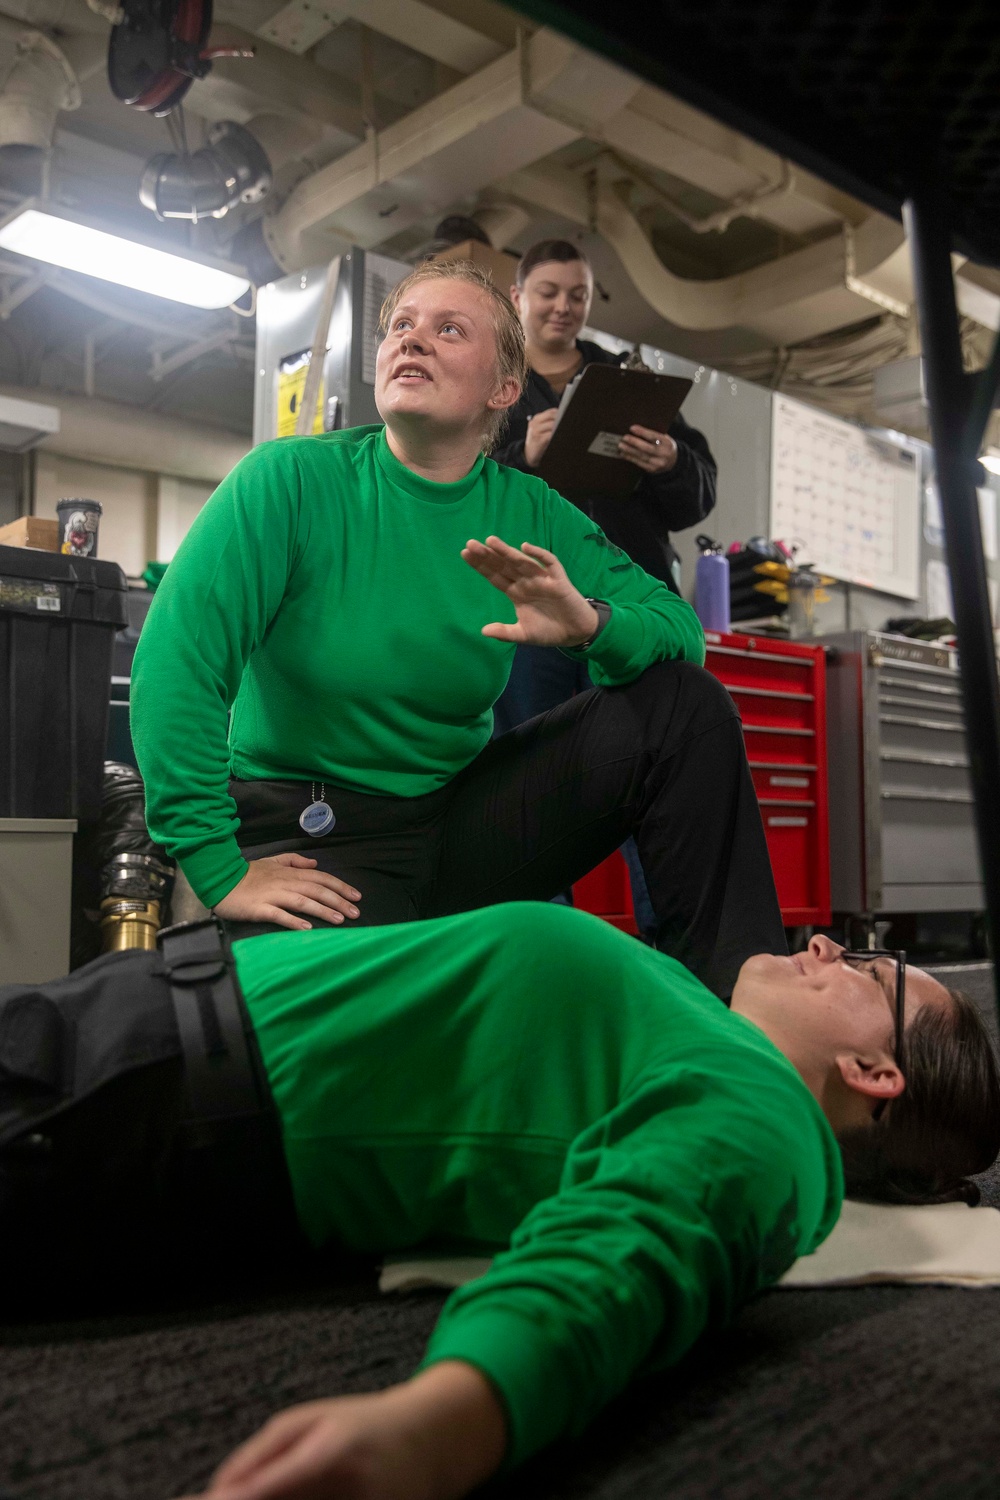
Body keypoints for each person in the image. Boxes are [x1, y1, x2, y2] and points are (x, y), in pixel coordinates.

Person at [0, 907, 995, 1500]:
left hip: (134, 1093)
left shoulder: (763, 1113)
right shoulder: (694, 1030)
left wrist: (443, 1425)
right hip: (132, 1028)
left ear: (873, 1071)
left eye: (868, 971)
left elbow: (639, 1246)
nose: (826, 942)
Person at [131, 258, 781, 998]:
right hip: (312, 837)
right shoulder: (288, 482)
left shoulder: (530, 509)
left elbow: (679, 633)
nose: (413, 342)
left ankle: (747, 1005)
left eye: (448, 330)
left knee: (682, 706)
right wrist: (218, 867)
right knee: (314, 1044)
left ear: (504, 388)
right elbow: (178, 666)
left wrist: (591, 625)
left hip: (457, 823)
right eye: (401, 327)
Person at [491, 239, 718, 929]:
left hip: (626, 609)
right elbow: (458, 492)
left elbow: (696, 497)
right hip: (530, 616)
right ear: (519, 298)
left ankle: (678, 955)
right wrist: (519, 457)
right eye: (550, 291)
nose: (564, 306)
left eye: (578, 295)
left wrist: (671, 458)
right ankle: (549, 948)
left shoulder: (627, 385)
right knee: (534, 784)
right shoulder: (494, 388)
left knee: (650, 781)